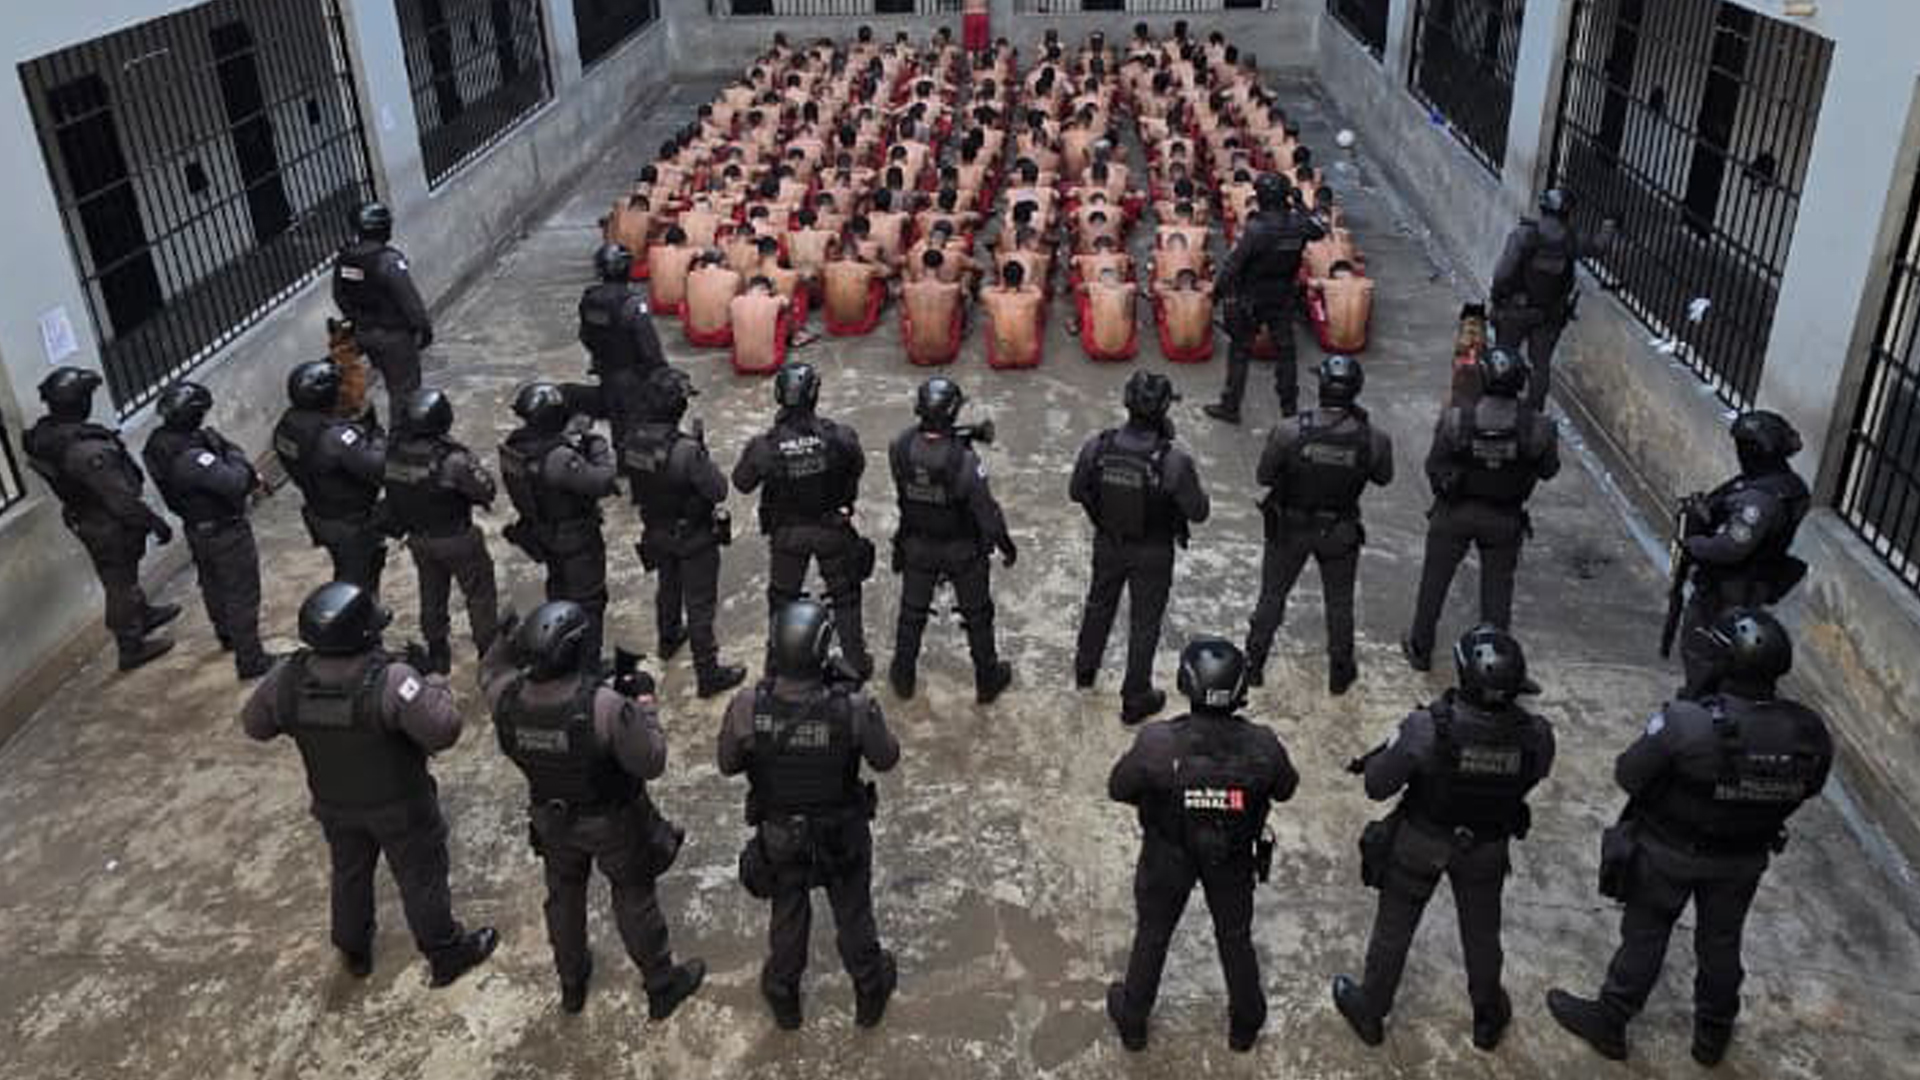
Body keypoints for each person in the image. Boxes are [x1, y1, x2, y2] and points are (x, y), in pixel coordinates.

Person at [1547, 610, 1832, 1067]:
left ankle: (1611, 1020)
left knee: (1646, 935)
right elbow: (1808, 788)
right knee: (1721, 943)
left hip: (1668, 851)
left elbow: (1629, 774)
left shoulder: (1687, 722)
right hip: (1743, 857)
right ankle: (1712, 1036)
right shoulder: (1808, 733)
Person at [241, 581, 498, 986]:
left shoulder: (287, 677)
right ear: (363, 634)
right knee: (421, 878)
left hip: (334, 802)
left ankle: (353, 948)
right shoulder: (392, 680)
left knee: (350, 873)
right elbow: (443, 731)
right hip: (401, 805)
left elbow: (256, 726)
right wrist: (431, 679)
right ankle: (445, 953)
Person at [1332, 625, 1556, 1051]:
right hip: (1486, 845)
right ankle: (1487, 1017)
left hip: (1422, 841)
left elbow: (1377, 785)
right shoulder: (1537, 735)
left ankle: (1371, 1010)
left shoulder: (1427, 727)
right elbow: (1531, 776)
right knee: (1482, 933)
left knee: (1394, 928)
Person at [481, 601, 708, 1017]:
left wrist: (505, 639)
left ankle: (571, 982)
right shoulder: (604, 707)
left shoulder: (505, 699)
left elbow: (490, 671)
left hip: (550, 818)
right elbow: (651, 761)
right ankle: (661, 984)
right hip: (611, 821)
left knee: (563, 896)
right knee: (633, 896)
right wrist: (645, 704)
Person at [1106, 637, 1299, 1053]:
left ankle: (1134, 1020)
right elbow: (1286, 788)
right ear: (1240, 689)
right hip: (1232, 855)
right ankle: (1245, 1024)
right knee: (1234, 935)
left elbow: (1118, 787)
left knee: (1154, 933)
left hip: (1169, 852)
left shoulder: (1158, 743)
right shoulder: (1263, 745)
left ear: (1185, 684)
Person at [718, 599, 900, 1030]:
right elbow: (887, 757)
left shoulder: (747, 707)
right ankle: (869, 987)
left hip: (781, 834)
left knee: (788, 909)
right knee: (852, 910)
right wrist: (853, 698)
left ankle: (784, 994)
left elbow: (727, 763)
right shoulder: (853, 707)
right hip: (841, 833)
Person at [1403, 348, 1559, 671]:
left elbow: (1433, 466)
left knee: (1435, 581)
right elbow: (1548, 470)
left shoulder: (1457, 419)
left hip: (1454, 512)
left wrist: (1453, 486)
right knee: (1497, 591)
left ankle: (1420, 647)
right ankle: (1496, 661)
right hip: (1505, 516)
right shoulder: (1539, 426)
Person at [1245, 356, 1393, 694]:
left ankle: (1253, 664)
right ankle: (1340, 673)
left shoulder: (1289, 431)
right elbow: (1384, 477)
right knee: (1339, 603)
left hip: (1291, 527)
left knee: (1272, 596)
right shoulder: (1374, 438)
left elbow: (1264, 476)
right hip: (1339, 529)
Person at [1071, 371, 1211, 724]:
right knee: (1144, 623)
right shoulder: (1173, 461)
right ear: (1164, 409)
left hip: (1109, 542)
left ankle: (1085, 671)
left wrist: (1104, 514)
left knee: (1098, 605)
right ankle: (1135, 698)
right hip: (1153, 550)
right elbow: (1199, 512)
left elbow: (1076, 491)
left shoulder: (1098, 447)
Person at [24, 367, 178, 671]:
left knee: (124, 575)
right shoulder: (85, 451)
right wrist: (154, 522)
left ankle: (142, 615)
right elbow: (120, 499)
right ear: (79, 402)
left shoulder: (49, 433)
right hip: (105, 520)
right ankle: (130, 646)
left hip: (89, 515)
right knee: (119, 583)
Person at [732, 364, 875, 680]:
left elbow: (741, 483)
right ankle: (855, 662)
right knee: (846, 598)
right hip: (832, 529)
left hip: (788, 534)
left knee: (782, 600)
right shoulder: (840, 437)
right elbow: (857, 466)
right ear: (814, 395)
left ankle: (775, 668)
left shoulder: (765, 447)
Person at [886, 377, 1016, 703]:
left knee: (911, 613)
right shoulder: (965, 462)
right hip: (962, 550)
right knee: (978, 616)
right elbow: (986, 512)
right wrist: (1005, 545)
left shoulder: (899, 447)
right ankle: (987, 680)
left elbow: (911, 485)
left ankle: (903, 677)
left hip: (916, 542)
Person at [621, 368, 747, 698]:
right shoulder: (686, 451)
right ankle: (708, 674)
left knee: (668, 586)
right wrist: (702, 455)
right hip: (693, 537)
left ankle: (668, 639)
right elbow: (718, 490)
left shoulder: (632, 439)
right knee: (700, 605)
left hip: (656, 531)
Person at [1674, 411, 1810, 699]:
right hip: (1749, 585)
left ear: (1757, 451)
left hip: (1732, 589)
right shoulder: (1784, 484)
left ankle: (1701, 703)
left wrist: (1693, 545)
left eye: (1744, 447)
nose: (1740, 453)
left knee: (1706, 649)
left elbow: (1731, 548)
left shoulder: (1760, 499)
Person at [142, 380, 271, 679]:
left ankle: (227, 635)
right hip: (224, 530)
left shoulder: (159, 442)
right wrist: (234, 455)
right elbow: (235, 483)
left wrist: (222, 451)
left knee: (213, 584)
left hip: (197, 528)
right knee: (241, 593)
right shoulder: (190, 456)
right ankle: (251, 660)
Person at [500, 382, 619, 669]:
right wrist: (597, 446)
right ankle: (587, 670)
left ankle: (561, 660)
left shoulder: (515, 446)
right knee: (589, 603)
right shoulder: (559, 458)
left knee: (559, 594)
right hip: (575, 538)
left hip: (543, 534)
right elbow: (603, 481)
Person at [382, 389, 500, 675]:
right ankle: (490, 656)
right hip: (457, 538)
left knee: (432, 592)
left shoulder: (394, 452)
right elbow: (486, 490)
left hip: (419, 538)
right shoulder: (452, 460)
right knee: (480, 596)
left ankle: (438, 653)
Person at [1205, 173, 1324, 423]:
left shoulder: (1257, 229)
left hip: (1251, 296)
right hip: (1282, 294)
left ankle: (1230, 406)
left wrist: (1216, 294)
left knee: (1240, 350)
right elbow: (1320, 228)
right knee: (1286, 352)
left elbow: (1233, 265)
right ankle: (1289, 409)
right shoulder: (1298, 224)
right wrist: (1300, 204)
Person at [1490, 188, 1616, 411]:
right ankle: (1533, 414)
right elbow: (1599, 247)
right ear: (1568, 213)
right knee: (1540, 366)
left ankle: (1499, 406)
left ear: (1543, 208)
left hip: (1515, 310)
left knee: (1503, 357)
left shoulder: (1524, 235)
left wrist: (1497, 298)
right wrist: (1609, 224)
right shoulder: (1573, 239)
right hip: (1549, 315)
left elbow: (1502, 274)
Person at [274, 360, 389, 597]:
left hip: (320, 512)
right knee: (358, 581)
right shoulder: (334, 436)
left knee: (347, 571)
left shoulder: (286, 425)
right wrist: (375, 434)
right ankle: (357, 619)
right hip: (349, 521)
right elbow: (380, 468)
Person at [332, 201, 432, 412]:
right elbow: (410, 302)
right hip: (393, 337)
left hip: (363, 334)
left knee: (379, 383)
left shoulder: (345, 258)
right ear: (383, 228)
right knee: (404, 393)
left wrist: (359, 319)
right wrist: (424, 329)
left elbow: (339, 296)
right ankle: (401, 432)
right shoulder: (388, 260)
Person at [578, 242, 668, 439]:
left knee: (617, 424)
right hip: (633, 378)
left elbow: (585, 336)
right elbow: (650, 349)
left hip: (606, 371)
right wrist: (663, 376)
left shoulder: (589, 299)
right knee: (639, 430)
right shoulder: (633, 304)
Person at [982, 260, 1045, 369]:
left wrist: (1002, 287)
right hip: (1029, 359)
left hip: (999, 360)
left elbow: (986, 290)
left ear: (1003, 278)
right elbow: (1036, 288)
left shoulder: (991, 297)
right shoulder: (1034, 296)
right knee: (1036, 316)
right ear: (1022, 278)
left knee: (989, 319)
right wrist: (1021, 287)